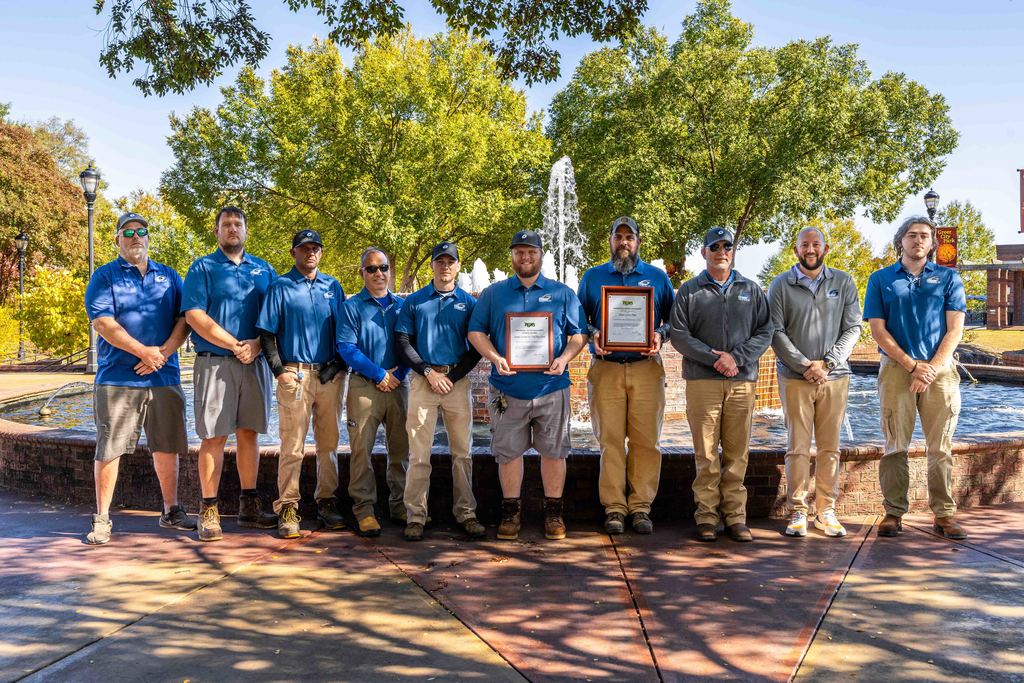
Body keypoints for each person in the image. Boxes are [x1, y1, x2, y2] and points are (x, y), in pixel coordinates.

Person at [468, 230, 588, 541]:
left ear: (541, 255)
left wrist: (564, 358)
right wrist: (495, 358)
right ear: (511, 256)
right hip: (507, 389)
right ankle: (511, 512)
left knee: (555, 452)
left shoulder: (563, 293)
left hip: (551, 387)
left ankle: (553, 512)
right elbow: (476, 332)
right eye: (519, 252)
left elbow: (579, 334)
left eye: (531, 252)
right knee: (508, 453)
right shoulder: (494, 294)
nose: (525, 257)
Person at [83, 212, 194, 544]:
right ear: (117, 239)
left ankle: (171, 511)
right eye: (127, 232)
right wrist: (143, 352)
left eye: (141, 231)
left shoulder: (170, 276)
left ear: (148, 237)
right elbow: (103, 323)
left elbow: (185, 319)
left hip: (164, 376)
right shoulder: (105, 276)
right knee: (110, 448)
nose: (135, 237)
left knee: (167, 447)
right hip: (118, 379)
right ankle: (102, 518)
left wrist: (161, 354)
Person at [864, 216, 967, 540]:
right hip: (897, 371)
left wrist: (932, 367)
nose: (918, 240)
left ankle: (944, 515)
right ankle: (893, 513)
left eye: (924, 236)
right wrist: (912, 366)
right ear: (901, 241)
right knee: (895, 446)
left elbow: (955, 329)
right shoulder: (881, 280)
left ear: (932, 242)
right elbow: (878, 330)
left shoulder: (950, 279)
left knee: (941, 448)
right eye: (912, 235)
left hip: (941, 371)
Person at [670, 227, 772, 543]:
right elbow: (678, 334)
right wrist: (714, 358)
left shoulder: (751, 290)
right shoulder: (689, 291)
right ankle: (706, 517)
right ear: (704, 252)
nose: (721, 250)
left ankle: (735, 517)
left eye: (727, 245)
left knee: (738, 453)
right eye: (714, 246)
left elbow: (765, 332)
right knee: (705, 453)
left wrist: (736, 358)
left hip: (741, 382)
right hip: (703, 382)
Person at [182, 206, 278, 542]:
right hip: (215, 362)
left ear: (246, 230)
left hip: (255, 362)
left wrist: (255, 344)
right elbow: (194, 315)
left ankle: (249, 505)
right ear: (217, 231)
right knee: (214, 437)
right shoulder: (203, 267)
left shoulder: (264, 269)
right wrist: (236, 344)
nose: (232, 228)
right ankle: (209, 509)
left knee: (249, 433)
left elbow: (275, 316)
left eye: (238, 224)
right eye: (226, 224)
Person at [577, 216, 674, 535]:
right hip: (606, 369)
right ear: (609, 241)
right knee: (610, 441)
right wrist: (593, 334)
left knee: (648, 441)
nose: (623, 242)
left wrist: (660, 334)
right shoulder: (592, 278)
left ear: (638, 241)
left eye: (629, 237)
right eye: (618, 236)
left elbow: (674, 321)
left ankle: (641, 507)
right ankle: (615, 508)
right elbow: (579, 321)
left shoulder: (658, 278)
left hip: (647, 368)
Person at [768, 227, 861, 539]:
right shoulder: (780, 284)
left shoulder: (844, 282)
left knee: (829, 448)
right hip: (794, 377)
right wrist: (805, 364)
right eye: (804, 244)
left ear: (826, 248)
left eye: (815, 244)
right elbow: (775, 331)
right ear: (795, 249)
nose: (810, 249)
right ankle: (798, 510)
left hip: (835, 377)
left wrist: (828, 362)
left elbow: (853, 328)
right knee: (797, 446)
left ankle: (826, 510)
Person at [257, 230, 347, 539]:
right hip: (294, 374)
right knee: (292, 446)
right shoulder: (280, 286)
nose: (310, 253)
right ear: (294, 252)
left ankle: (326, 501)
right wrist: (279, 371)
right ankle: (288, 506)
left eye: (315, 248)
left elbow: (345, 333)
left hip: (329, 376)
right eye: (304, 248)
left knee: (329, 445)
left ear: (321, 253)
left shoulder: (333, 286)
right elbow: (267, 334)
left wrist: (339, 366)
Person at [395, 241, 485, 542]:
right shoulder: (415, 302)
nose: (445, 266)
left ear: (458, 266)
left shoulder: (469, 303)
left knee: (463, 452)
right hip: (423, 382)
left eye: (451, 261)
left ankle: (466, 513)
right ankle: (416, 515)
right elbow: (403, 343)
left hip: (456, 383)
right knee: (419, 454)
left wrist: (453, 376)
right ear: (432, 265)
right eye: (440, 261)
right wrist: (428, 373)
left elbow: (476, 348)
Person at [336, 247, 409, 537]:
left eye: (383, 267)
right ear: (362, 273)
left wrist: (397, 375)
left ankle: (400, 504)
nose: (378, 273)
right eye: (371, 269)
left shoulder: (401, 307)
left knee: (401, 449)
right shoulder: (351, 307)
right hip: (364, 386)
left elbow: (409, 345)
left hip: (399, 384)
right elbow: (346, 348)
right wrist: (379, 374)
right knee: (361, 451)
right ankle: (364, 510)